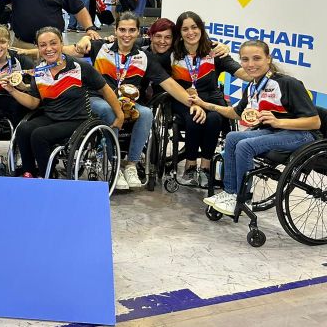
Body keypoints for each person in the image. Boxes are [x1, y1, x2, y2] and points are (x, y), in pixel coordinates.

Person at [73, 12, 208, 190]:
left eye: (131, 30)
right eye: (122, 30)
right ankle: (114, 164)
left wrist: (195, 104)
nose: (126, 35)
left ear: (138, 32)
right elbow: (64, 51)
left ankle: (131, 165)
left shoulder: (144, 58)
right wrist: (81, 40)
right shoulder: (100, 47)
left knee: (145, 112)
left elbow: (171, 85)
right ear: (115, 30)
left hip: (126, 102)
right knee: (109, 110)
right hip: (97, 99)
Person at [195, 40, 321, 215]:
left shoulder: (287, 83)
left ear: (268, 58)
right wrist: (205, 105)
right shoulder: (254, 85)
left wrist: (278, 122)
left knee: (245, 146)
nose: (250, 64)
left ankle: (243, 198)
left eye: (256, 58)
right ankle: (231, 194)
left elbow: (315, 122)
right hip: (274, 131)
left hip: (301, 134)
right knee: (232, 137)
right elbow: (237, 113)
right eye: (245, 60)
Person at [4, 26, 123, 178]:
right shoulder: (39, 70)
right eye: (43, 45)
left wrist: (119, 115)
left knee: (39, 135)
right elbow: (34, 103)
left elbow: (105, 90)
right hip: (52, 117)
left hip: (77, 120)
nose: (49, 49)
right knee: (23, 129)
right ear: (38, 48)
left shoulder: (80, 66)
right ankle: (29, 173)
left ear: (61, 43)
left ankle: (46, 176)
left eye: (53, 43)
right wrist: (12, 90)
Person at [157, 11, 251, 187]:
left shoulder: (215, 50)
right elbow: (149, 51)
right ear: (180, 32)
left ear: (201, 28)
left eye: (194, 27)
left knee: (214, 118)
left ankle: (206, 167)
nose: (190, 32)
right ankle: (190, 165)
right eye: (185, 29)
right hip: (185, 99)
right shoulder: (172, 53)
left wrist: (263, 73)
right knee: (195, 118)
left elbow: (240, 72)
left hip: (212, 99)